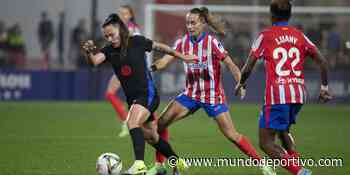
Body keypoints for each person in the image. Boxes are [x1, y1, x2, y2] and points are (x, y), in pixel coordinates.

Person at [150, 7, 275, 175]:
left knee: (232, 135)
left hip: (213, 96)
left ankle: (263, 164)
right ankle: (161, 166)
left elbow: (230, 64)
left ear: (202, 23)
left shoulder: (212, 43)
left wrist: (241, 82)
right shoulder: (182, 43)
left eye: (193, 22)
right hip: (190, 94)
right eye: (187, 23)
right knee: (160, 124)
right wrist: (151, 68)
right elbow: (165, 60)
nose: (190, 26)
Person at [81, 13, 195, 175]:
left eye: (111, 34)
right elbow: (94, 61)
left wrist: (182, 56)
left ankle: (139, 165)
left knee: (132, 122)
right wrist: (88, 52)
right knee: (151, 137)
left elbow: (161, 47)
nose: (109, 38)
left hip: (147, 94)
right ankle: (179, 163)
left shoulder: (137, 41)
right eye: (106, 36)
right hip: (134, 99)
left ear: (120, 29)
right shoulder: (108, 50)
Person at [235, 0, 332, 175]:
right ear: (290, 15)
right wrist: (324, 87)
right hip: (298, 94)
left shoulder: (266, 35)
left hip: (278, 95)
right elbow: (323, 61)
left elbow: (248, 66)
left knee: (266, 142)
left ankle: (300, 172)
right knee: (283, 131)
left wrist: (241, 82)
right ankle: (296, 163)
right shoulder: (299, 35)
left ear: (271, 15)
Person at [105, 5, 142, 138]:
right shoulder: (119, 28)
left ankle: (129, 123)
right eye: (120, 13)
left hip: (131, 68)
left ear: (130, 16)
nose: (122, 16)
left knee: (136, 99)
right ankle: (127, 123)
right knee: (111, 94)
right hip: (123, 67)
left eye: (125, 14)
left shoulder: (132, 29)